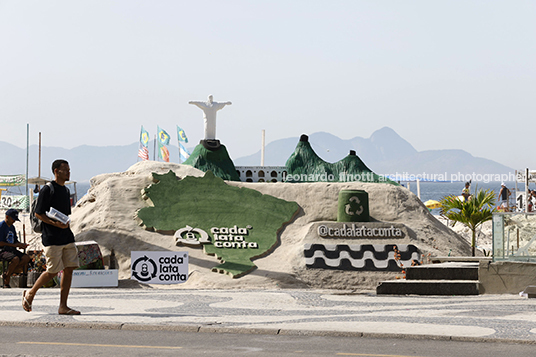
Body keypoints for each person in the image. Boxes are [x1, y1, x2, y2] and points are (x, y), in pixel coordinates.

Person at [22, 159, 80, 315]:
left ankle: (63, 306)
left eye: (69, 169)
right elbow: (38, 213)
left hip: (67, 236)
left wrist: (65, 223)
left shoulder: (66, 191)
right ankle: (30, 293)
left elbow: (64, 214)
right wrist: (55, 224)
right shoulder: (48, 189)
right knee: (53, 271)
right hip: (52, 237)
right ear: (56, 171)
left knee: (69, 269)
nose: (68, 172)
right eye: (65, 170)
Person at [0, 209, 30, 287]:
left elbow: (15, 241)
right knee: (15, 259)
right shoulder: (1, 226)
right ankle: (7, 281)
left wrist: (21, 244)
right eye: (13, 219)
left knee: (26, 258)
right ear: (7, 217)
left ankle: (7, 273)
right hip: (3, 250)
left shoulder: (12, 227)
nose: (14, 221)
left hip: (12, 249)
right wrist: (15, 245)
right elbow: (1, 243)